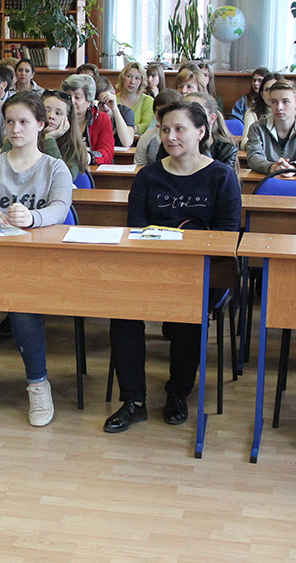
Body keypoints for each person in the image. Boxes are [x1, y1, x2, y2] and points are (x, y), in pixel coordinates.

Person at [105, 100, 242, 433]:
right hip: (153, 267)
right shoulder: (149, 176)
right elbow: (136, 229)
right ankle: (133, 400)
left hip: (203, 271)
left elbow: (225, 237)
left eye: (180, 129)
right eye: (165, 129)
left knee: (187, 311)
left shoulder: (221, 177)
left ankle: (178, 393)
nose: (171, 136)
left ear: (201, 131)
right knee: (123, 311)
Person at [0, 92, 73, 427]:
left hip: (35, 262)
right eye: (9, 122)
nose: (16, 129)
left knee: (23, 310)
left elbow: (60, 208)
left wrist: (33, 217)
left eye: (24, 122)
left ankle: (38, 385)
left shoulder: (54, 167)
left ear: (41, 125)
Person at [245, 80, 296, 174]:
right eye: (274, 102)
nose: (279, 107)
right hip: (266, 179)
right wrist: (271, 167)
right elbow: (253, 157)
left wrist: (292, 168)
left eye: (285, 101)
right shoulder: (257, 128)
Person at [152, 92, 237, 169]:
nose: (188, 113)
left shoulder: (226, 149)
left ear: (211, 118)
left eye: (197, 110)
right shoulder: (171, 144)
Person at [62, 74, 114, 165]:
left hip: (93, 168)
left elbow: (107, 152)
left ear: (89, 101)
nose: (72, 101)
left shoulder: (101, 118)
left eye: (77, 97)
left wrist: (88, 157)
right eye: (68, 96)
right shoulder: (59, 117)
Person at [42, 90, 89, 181]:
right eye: (46, 111)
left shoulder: (74, 148)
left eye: (58, 113)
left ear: (68, 119)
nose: (51, 116)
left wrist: (49, 139)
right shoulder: (24, 139)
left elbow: (64, 178)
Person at [135, 90, 184, 166]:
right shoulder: (147, 137)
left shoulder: (185, 136)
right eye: (158, 110)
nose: (161, 114)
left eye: (166, 110)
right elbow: (139, 165)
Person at [95, 76, 135, 147]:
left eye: (109, 101)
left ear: (114, 94)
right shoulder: (90, 113)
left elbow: (127, 142)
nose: (105, 107)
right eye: (100, 104)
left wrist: (115, 110)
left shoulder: (126, 112)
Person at [115, 61, 154, 134]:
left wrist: (127, 131)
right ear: (123, 77)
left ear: (141, 81)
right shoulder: (113, 100)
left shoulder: (148, 101)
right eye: (129, 76)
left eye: (137, 78)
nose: (132, 81)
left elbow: (147, 125)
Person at [242, 72, 275, 145]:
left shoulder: (292, 114)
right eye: (267, 89)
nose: (271, 93)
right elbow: (245, 142)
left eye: (275, 89)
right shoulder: (252, 113)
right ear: (262, 94)